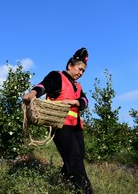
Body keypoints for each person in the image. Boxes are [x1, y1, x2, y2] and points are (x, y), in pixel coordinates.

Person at [23, 48, 93, 194]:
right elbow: (43, 85)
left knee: (79, 155)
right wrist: (33, 93)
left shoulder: (77, 86)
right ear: (70, 65)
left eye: (83, 71)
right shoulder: (57, 76)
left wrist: (76, 102)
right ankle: (86, 190)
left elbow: (85, 101)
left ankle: (62, 181)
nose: (81, 73)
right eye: (79, 69)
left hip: (76, 126)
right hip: (61, 125)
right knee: (74, 157)